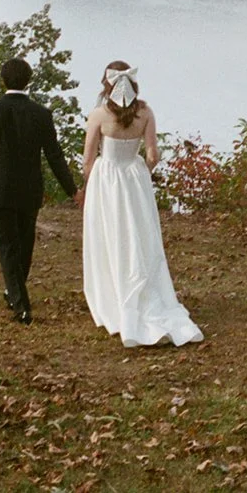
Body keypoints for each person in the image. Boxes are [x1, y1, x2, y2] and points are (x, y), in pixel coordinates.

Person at [80, 60, 203, 347]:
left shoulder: (98, 115)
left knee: (111, 235)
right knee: (140, 235)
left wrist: (90, 184)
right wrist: (141, 175)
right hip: (134, 180)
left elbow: (88, 160)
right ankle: (145, 292)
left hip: (107, 179)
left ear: (107, 84)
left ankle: (113, 296)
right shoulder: (146, 113)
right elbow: (152, 154)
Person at [0, 57, 81, 325]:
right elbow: (54, 156)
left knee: (7, 246)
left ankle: (20, 304)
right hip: (30, 189)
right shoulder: (41, 114)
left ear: (2, 79)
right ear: (29, 80)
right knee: (24, 243)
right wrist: (72, 189)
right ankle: (16, 294)